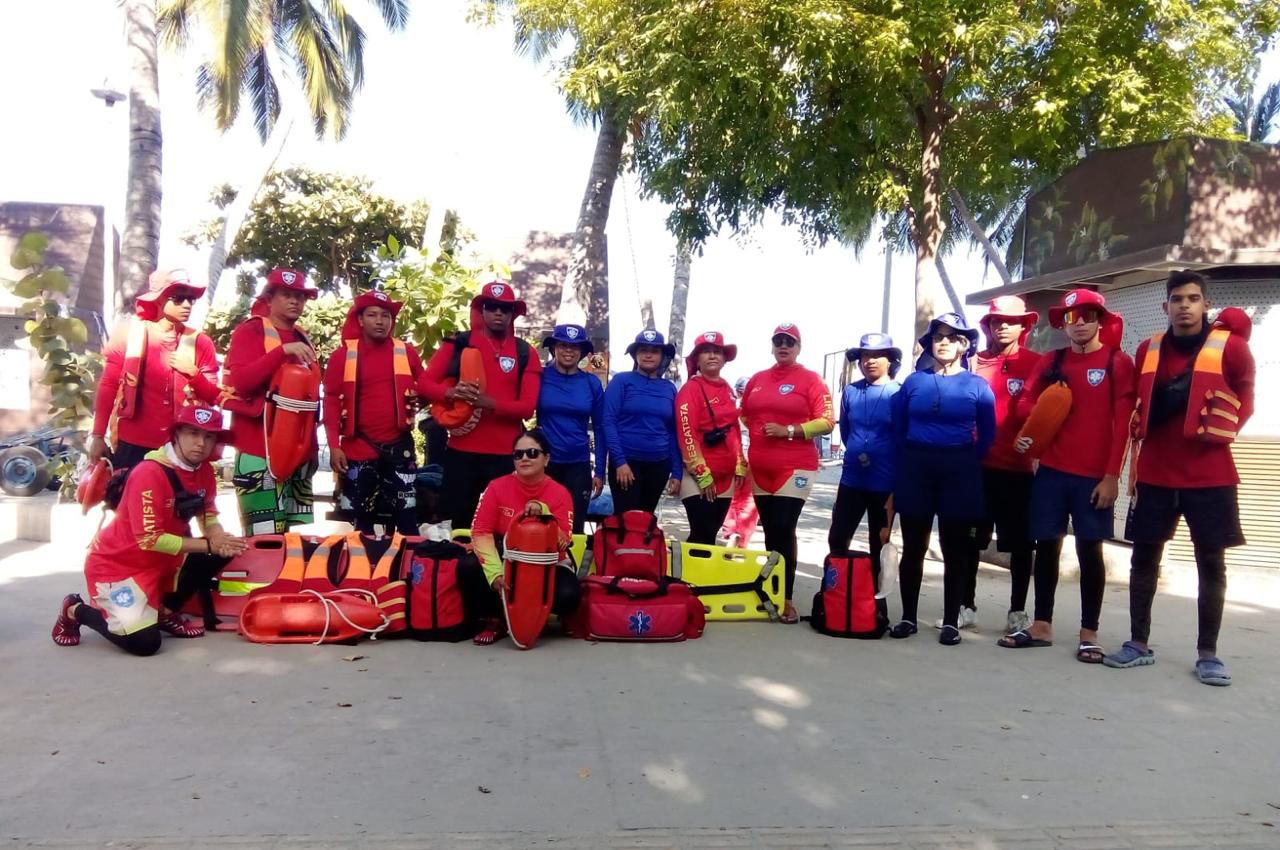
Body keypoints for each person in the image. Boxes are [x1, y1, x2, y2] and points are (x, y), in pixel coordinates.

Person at [1105, 271, 1256, 685]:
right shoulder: (1146, 349)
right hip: (1155, 472)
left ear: (1206, 304)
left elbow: (1246, 400)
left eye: (1193, 298)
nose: (1185, 305)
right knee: (1143, 558)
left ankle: (1208, 653)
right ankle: (1138, 643)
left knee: (1211, 563)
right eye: (1177, 298)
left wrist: (1224, 426)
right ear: (1165, 306)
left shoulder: (1234, 349)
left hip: (1211, 475)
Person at [999, 289, 1135, 664]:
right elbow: (1024, 402)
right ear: (1064, 323)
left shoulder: (1116, 362)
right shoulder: (1051, 361)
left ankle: (1089, 633)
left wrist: (1112, 477)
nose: (1080, 325)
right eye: (1073, 318)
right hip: (1052, 473)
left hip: (1093, 477)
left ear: (1099, 321)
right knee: (1047, 548)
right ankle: (1042, 624)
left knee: (1090, 550)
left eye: (1088, 317)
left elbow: (1122, 425)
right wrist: (1046, 407)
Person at [52, 405, 248, 655]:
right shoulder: (149, 473)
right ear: (176, 435)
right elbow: (149, 539)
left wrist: (218, 536)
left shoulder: (205, 471)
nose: (201, 443)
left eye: (209, 436)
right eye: (193, 434)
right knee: (145, 643)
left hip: (163, 564)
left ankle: (162, 612)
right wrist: (210, 544)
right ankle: (74, 609)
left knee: (225, 549)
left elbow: (208, 514)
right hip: (118, 566)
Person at [889, 313, 995, 645]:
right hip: (917, 464)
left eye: (952, 337)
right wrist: (910, 459)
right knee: (914, 546)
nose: (944, 342)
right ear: (930, 344)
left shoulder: (977, 386)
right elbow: (898, 425)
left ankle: (951, 621)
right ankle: (908, 617)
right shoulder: (914, 382)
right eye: (938, 337)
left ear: (965, 345)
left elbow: (988, 434)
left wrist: (963, 460)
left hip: (959, 465)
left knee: (956, 548)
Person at [418, 281, 542, 530]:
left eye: (505, 309)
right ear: (481, 310)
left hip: (507, 456)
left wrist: (488, 403)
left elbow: (527, 408)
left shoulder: (525, 352)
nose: (498, 313)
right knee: (454, 526)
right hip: (460, 453)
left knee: (504, 528)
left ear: (512, 314)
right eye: (492, 307)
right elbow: (424, 384)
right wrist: (451, 392)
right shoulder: (458, 344)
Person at [740, 323, 834, 624]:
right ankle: (771, 589)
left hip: (795, 466)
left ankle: (787, 598)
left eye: (789, 342)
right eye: (779, 341)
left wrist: (789, 430)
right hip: (760, 466)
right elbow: (744, 414)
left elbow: (827, 421)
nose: (783, 346)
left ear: (798, 347)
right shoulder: (757, 379)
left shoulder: (811, 380)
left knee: (783, 527)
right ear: (771, 345)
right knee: (770, 531)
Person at [961, 297, 1043, 635]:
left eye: (1010, 321)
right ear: (988, 326)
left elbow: (1048, 414)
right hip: (978, 470)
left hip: (1020, 472)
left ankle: (1017, 611)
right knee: (969, 542)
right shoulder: (972, 364)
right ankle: (966, 605)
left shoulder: (1038, 363)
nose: (1002, 326)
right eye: (996, 320)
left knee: (1022, 546)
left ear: (1024, 325)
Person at [88, 269, 222, 474]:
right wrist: (97, 436)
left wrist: (193, 373)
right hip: (133, 444)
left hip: (180, 448)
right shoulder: (128, 333)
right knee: (128, 503)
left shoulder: (200, 342)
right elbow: (108, 386)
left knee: (181, 505)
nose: (186, 305)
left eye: (191, 299)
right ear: (158, 300)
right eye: (178, 298)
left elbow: (214, 396)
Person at [456, 429, 580, 646]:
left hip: (545, 561)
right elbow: (480, 531)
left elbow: (562, 541)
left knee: (569, 594)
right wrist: (495, 572)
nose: (524, 458)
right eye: (518, 454)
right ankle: (494, 619)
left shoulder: (560, 493)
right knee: (467, 566)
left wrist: (543, 511)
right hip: (504, 556)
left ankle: (533, 618)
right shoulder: (496, 487)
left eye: (532, 453)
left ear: (546, 459)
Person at [222, 267, 321, 535]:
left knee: (297, 537)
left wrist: (311, 450)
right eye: (286, 295)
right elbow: (241, 382)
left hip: (298, 457)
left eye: (299, 296)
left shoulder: (303, 337)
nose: (294, 301)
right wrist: (281, 352)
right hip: (258, 453)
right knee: (263, 538)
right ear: (269, 298)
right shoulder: (250, 331)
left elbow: (310, 401)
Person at [321, 290, 426, 535]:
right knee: (361, 525)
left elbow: (426, 388)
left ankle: (406, 572)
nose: (380, 321)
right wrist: (333, 445)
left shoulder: (407, 352)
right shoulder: (343, 355)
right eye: (372, 315)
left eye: (385, 315)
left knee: (408, 522)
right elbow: (331, 401)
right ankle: (362, 571)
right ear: (360, 319)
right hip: (358, 449)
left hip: (400, 448)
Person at [829, 334, 901, 581]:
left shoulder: (899, 393)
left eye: (877, 355)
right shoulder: (850, 391)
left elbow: (903, 438)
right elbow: (847, 430)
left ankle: (876, 602)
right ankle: (837, 591)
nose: (870, 360)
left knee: (878, 542)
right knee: (838, 536)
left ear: (890, 360)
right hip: (852, 479)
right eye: (865, 355)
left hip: (885, 482)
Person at [602, 329, 682, 515]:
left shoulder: (669, 388)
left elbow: (672, 431)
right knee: (625, 520)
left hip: (659, 466)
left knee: (645, 521)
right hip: (626, 464)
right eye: (643, 350)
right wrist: (620, 462)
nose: (648, 354)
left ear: (662, 356)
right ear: (635, 354)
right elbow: (608, 422)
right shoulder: (621, 381)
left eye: (654, 351)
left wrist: (676, 472)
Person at [676, 332, 746, 544]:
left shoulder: (727, 388)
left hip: (726, 478)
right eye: (706, 352)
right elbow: (686, 432)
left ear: (725, 358)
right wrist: (701, 473)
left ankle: (702, 578)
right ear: (697, 359)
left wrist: (741, 463)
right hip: (699, 477)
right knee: (701, 533)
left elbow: (734, 428)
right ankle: (687, 577)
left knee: (710, 536)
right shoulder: (691, 388)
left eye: (717, 352)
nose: (712, 356)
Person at [536, 324, 606, 533]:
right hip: (543, 463)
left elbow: (602, 428)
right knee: (540, 524)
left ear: (582, 352)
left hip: (578, 463)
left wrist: (600, 471)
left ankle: (570, 567)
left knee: (573, 528)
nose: (568, 350)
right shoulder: (540, 376)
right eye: (563, 345)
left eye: (575, 347)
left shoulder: (591, 382)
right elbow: (519, 408)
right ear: (554, 348)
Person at [720, 376, 759, 547]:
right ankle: (742, 536)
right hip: (754, 457)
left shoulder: (731, 409)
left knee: (732, 497)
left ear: (737, 392)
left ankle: (730, 532)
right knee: (749, 500)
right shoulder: (759, 411)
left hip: (732, 455)